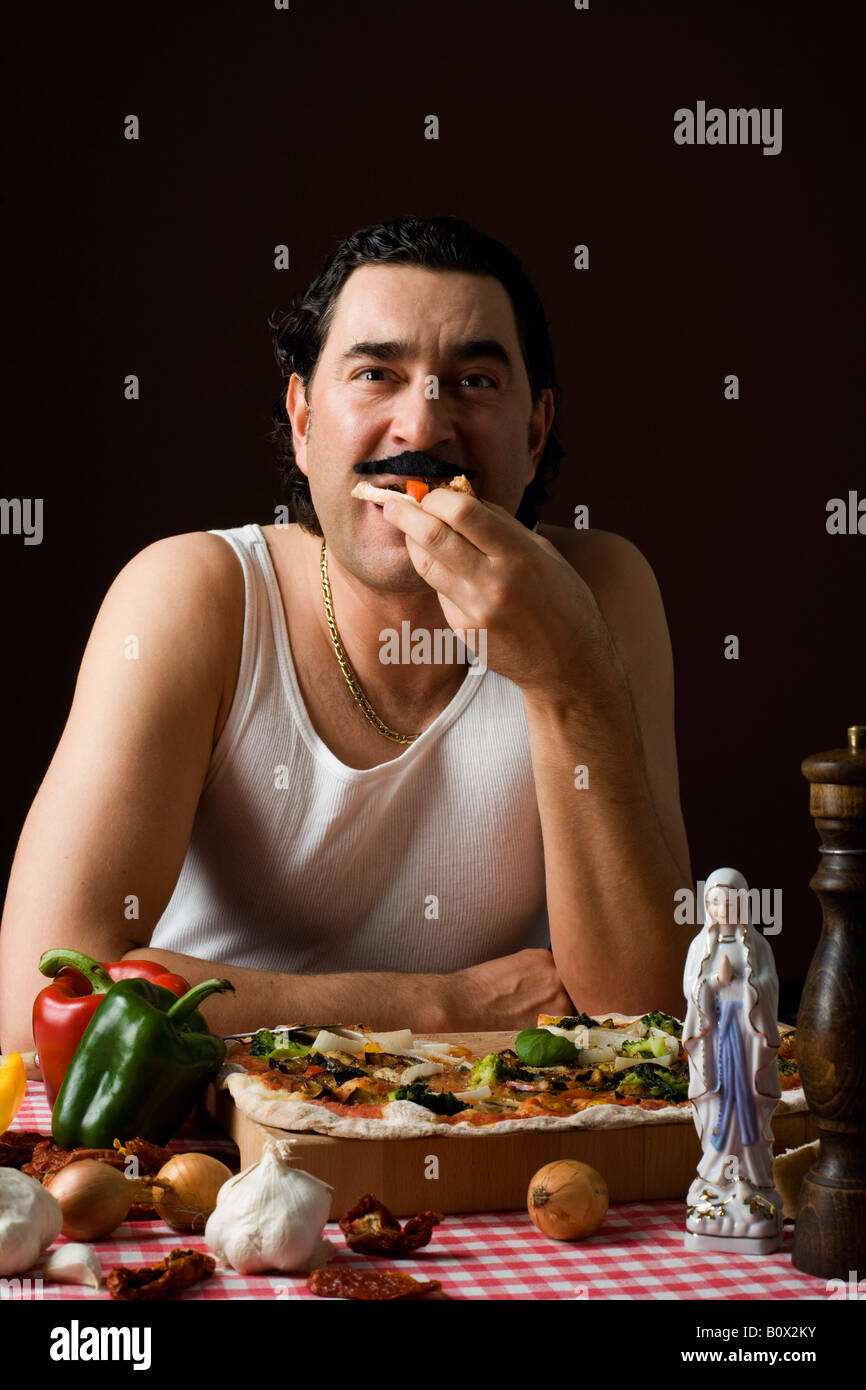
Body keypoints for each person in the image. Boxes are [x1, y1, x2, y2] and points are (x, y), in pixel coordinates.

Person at [0, 216, 692, 1052]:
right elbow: (41, 1000)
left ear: (536, 430)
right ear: (301, 417)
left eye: (473, 380)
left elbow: (649, 1018)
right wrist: (437, 1006)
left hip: (488, 1142)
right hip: (212, 1148)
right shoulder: (194, 594)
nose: (423, 430)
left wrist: (568, 679)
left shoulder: (602, 593)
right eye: (376, 374)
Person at [683, 868, 781, 1195]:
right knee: (718, 1099)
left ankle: (750, 1175)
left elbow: (769, 985)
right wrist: (712, 984)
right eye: (713, 903)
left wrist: (744, 985)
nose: (721, 910)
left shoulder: (755, 944)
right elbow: (691, 988)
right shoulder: (700, 945)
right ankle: (717, 1173)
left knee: (744, 1101)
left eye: (728, 902)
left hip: (744, 1038)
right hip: (715, 1040)